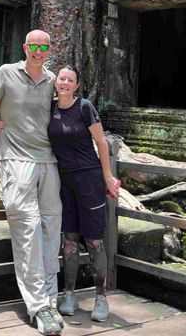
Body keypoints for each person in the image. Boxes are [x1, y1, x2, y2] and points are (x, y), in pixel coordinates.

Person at [0, 30, 64, 336]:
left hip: (49, 161)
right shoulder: (6, 73)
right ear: (25, 47)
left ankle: (52, 299)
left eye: (43, 47)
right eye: (33, 46)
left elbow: (65, 113)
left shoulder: (53, 81)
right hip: (16, 159)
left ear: (49, 51)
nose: (37, 51)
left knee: (51, 228)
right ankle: (39, 307)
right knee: (28, 229)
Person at [50, 67, 119, 323]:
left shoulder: (85, 107)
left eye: (70, 80)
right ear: (55, 83)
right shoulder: (51, 108)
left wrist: (108, 177)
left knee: (93, 240)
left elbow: (101, 143)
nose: (65, 83)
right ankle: (69, 294)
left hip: (89, 179)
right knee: (68, 239)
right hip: (64, 181)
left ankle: (101, 297)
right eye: (62, 79)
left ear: (76, 86)